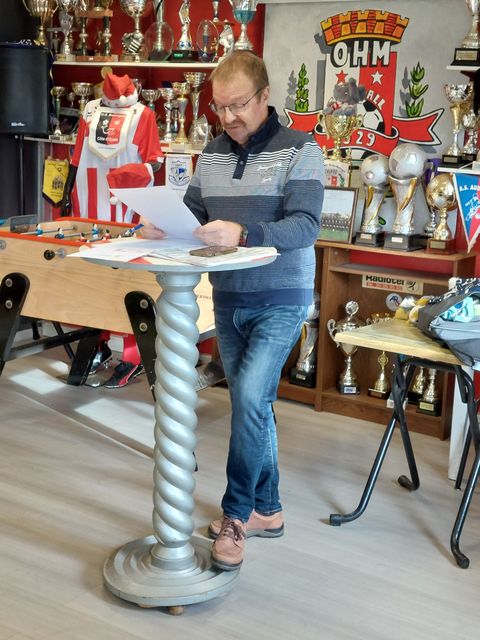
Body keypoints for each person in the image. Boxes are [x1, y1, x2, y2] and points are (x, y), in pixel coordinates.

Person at [142, 51, 325, 571]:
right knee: (254, 406)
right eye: (220, 107)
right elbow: (195, 215)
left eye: (238, 105)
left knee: (247, 399)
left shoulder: (302, 149)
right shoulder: (213, 154)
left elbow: (305, 226)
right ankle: (269, 509)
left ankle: (237, 515)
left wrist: (244, 232)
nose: (228, 117)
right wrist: (162, 225)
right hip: (229, 297)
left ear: (265, 96)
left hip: (281, 297)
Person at [60, 72, 164, 387]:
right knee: (92, 277)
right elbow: (77, 156)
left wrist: (135, 174)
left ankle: (132, 354)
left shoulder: (144, 115)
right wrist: (67, 193)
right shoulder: (90, 111)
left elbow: (155, 161)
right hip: (89, 206)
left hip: (127, 208)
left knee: (127, 280)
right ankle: (98, 344)